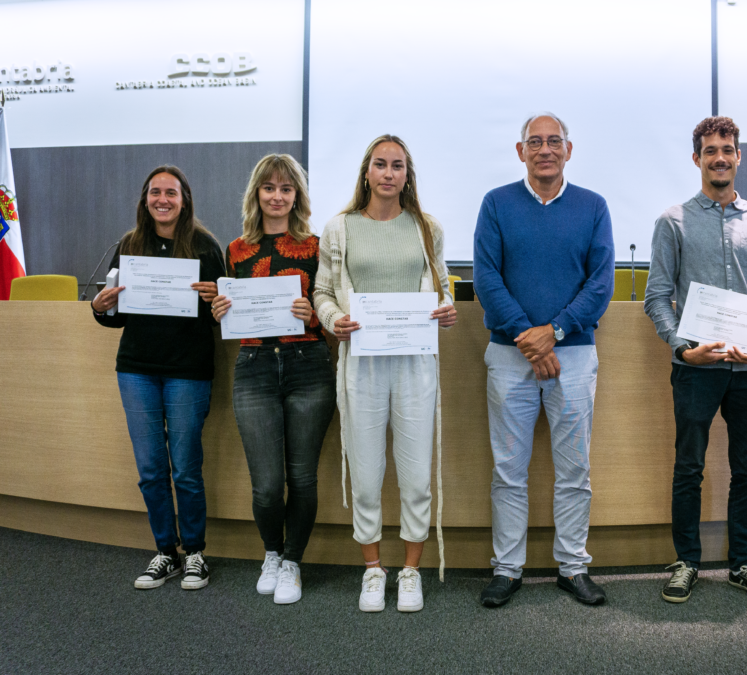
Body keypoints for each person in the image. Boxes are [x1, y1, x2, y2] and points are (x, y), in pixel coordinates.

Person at [644, 116, 747, 605]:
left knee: (746, 469)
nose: (720, 157)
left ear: (738, 155)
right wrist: (683, 347)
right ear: (697, 159)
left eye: (727, 148)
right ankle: (686, 561)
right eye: (710, 150)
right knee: (689, 467)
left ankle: (742, 565)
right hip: (695, 368)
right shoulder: (673, 221)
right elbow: (657, 297)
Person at [473, 112, 615, 608]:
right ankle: (507, 569)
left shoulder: (593, 206)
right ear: (520, 151)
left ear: (569, 150)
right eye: (535, 141)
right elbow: (487, 278)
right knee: (508, 469)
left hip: (573, 355)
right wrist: (527, 338)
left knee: (574, 469)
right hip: (509, 356)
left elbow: (601, 284)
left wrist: (552, 333)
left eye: (554, 141)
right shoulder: (496, 204)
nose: (545, 149)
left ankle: (573, 567)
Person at [313, 134, 456, 613]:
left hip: (415, 363)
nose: (389, 173)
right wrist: (335, 321)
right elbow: (322, 293)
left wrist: (447, 307)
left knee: (415, 475)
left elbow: (442, 284)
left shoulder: (426, 227)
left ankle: (411, 570)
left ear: (407, 175)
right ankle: (373, 570)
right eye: (381, 165)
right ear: (367, 173)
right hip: (362, 364)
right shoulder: (340, 228)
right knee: (368, 472)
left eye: (398, 166)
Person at [90, 165, 225, 590]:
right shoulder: (129, 245)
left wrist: (214, 299)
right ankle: (165, 552)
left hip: (187, 371)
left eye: (171, 192)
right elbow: (117, 319)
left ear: (185, 199)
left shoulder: (204, 246)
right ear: (144, 199)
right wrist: (100, 307)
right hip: (137, 371)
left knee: (185, 468)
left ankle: (195, 553)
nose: (162, 199)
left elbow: (223, 316)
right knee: (150, 469)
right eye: (155, 192)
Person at [209, 154, 336, 605]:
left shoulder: (319, 247)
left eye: (286, 189)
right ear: (256, 194)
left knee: (302, 476)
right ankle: (272, 553)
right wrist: (220, 310)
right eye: (269, 188)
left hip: (308, 365)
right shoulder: (236, 249)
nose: (278, 196)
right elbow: (231, 307)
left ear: (297, 196)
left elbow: (333, 305)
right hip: (255, 366)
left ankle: (293, 562)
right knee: (265, 483)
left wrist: (314, 311)